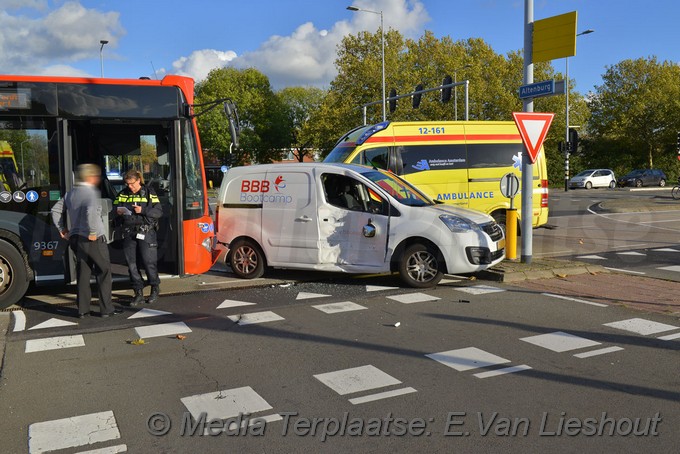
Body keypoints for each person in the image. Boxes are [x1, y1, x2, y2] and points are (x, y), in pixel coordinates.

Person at [51, 164, 121, 318]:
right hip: (92, 239)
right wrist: (93, 232)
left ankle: (82, 310)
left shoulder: (70, 194)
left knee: (83, 273)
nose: (97, 179)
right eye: (95, 176)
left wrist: (62, 229)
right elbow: (91, 213)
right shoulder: (91, 193)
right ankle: (106, 310)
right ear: (90, 177)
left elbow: (55, 210)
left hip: (75, 239)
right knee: (104, 271)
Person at [114, 169, 163, 306]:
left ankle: (154, 288)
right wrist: (117, 211)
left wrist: (143, 210)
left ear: (138, 180)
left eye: (132, 183)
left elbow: (159, 211)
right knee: (132, 265)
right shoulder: (123, 194)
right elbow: (114, 207)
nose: (130, 186)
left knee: (149, 262)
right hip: (129, 232)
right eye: (127, 184)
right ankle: (138, 293)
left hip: (146, 232)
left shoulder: (149, 192)